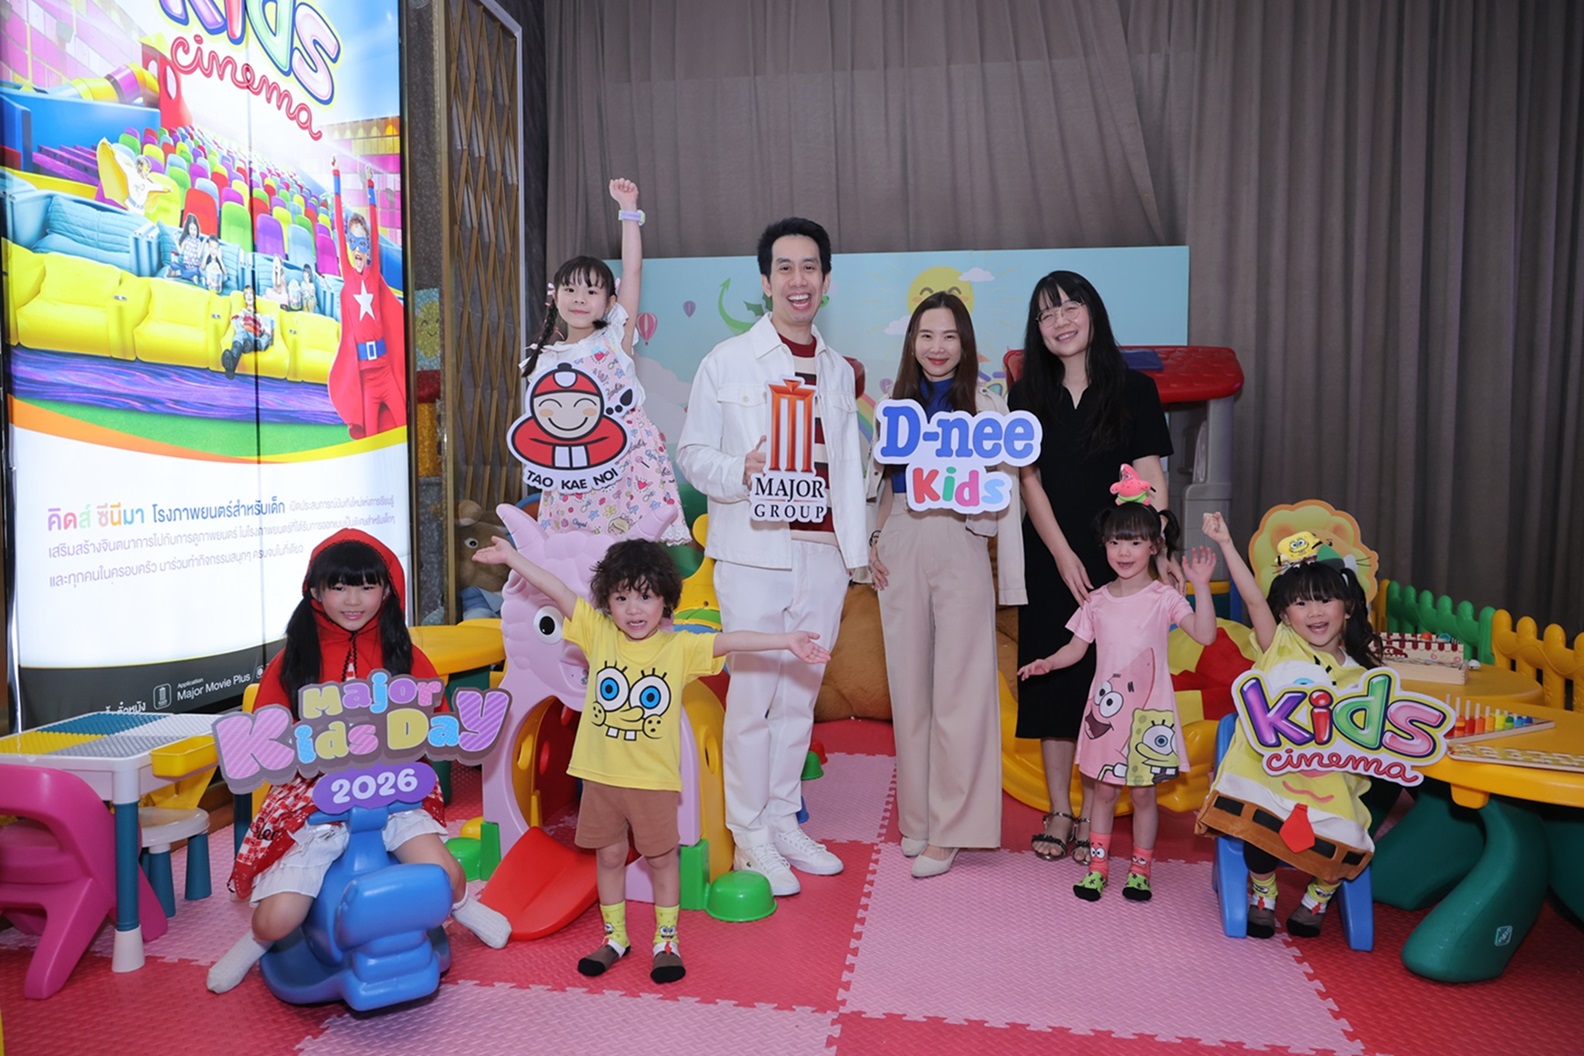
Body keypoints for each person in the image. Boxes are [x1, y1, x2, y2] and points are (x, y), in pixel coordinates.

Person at [473, 535, 829, 982]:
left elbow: (730, 640)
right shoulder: (598, 634)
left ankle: (666, 941)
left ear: (665, 601)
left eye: (645, 596)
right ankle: (615, 937)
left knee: (661, 860)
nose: (634, 609)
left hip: (653, 783)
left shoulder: (678, 649)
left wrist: (786, 640)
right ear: (607, 602)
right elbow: (558, 590)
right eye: (621, 598)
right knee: (608, 857)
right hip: (600, 779)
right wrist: (512, 558)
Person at [207, 530, 509, 994]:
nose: (353, 600)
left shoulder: (404, 654)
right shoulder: (292, 660)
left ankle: (465, 908)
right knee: (275, 919)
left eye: (367, 586)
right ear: (315, 591)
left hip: (392, 786)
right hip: (313, 794)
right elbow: (267, 731)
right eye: (339, 587)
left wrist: (435, 730)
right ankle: (256, 943)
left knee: (446, 875)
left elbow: (437, 718)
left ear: (386, 591)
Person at [675, 217, 866, 897]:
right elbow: (692, 453)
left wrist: (858, 551)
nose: (797, 280)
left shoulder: (838, 370)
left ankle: (783, 819)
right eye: (784, 267)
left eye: (809, 267)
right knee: (754, 698)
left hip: (824, 555)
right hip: (754, 552)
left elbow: (848, 469)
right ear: (765, 281)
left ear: (826, 281)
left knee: (799, 698)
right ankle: (749, 831)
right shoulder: (727, 361)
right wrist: (741, 469)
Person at [1008, 270, 1174, 867]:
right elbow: (1029, 483)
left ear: (1093, 312)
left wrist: (1156, 549)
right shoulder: (1026, 396)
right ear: (1037, 329)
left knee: (1110, 686)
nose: (1060, 321)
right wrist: (1060, 553)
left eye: (1070, 307)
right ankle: (1060, 810)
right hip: (1051, 556)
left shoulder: (1135, 389)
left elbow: (1151, 480)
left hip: (1121, 562)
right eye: (1047, 314)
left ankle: (1093, 814)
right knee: (1055, 685)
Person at [868, 292, 1023, 878]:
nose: (938, 347)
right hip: (902, 538)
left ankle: (953, 828)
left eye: (950, 336)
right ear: (912, 343)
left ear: (966, 344)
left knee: (961, 688)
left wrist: (977, 518)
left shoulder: (988, 408)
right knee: (908, 688)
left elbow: (1003, 493)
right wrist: (875, 541)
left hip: (959, 538)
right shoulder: (894, 407)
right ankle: (919, 820)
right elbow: (881, 484)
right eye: (927, 335)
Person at [1019, 490, 1217, 901]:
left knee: (1144, 796)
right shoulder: (1096, 600)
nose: (1123, 552)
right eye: (1114, 542)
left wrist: (1200, 586)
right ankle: (1098, 868)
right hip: (1107, 716)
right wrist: (1047, 663)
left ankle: (1140, 870)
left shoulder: (1164, 598)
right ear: (1104, 545)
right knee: (1104, 793)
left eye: (1134, 542)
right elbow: (1075, 649)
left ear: (1154, 546)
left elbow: (1205, 634)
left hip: (1150, 717)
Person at [1197, 512, 1385, 938]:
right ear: (1284, 615)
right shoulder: (1281, 647)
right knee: (1261, 823)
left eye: (1325, 600)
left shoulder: (1362, 677)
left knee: (1350, 834)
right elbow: (1253, 601)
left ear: (1348, 607)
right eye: (1301, 603)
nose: (1314, 611)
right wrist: (1226, 543)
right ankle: (1263, 891)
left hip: (1330, 782)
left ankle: (1318, 896)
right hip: (1273, 773)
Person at [515, 178, 689, 546]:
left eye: (591, 291)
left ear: (610, 302)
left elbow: (634, 269)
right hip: (574, 466)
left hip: (625, 462)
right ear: (555, 297)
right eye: (570, 289)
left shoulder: (614, 338)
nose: (579, 298)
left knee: (629, 556)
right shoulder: (543, 361)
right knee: (576, 557)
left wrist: (628, 210)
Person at [327, 158, 407, 439]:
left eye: (363, 243)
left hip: (385, 373)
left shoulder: (373, 275)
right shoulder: (348, 276)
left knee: (403, 426)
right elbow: (338, 222)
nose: (358, 249)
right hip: (366, 381)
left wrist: (370, 186)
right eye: (354, 243)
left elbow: (373, 225)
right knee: (372, 440)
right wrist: (336, 176)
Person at [220, 286, 275, 380]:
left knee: (264, 335)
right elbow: (238, 324)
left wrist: (265, 328)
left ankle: (247, 348)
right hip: (245, 334)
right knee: (241, 335)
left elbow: (266, 330)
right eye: (246, 294)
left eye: (251, 293)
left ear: (254, 297)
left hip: (256, 337)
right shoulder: (243, 311)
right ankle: (231, 364)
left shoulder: (260, 316)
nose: (249, 296)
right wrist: (242, 318)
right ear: (245, 299)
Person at [170, 213, 206, 283]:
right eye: (191, 229)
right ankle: (189, 276)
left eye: (195, 229)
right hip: (185, 266)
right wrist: (175, 239)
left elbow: (198, 256)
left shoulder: (198, 242)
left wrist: (202, 244)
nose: (193, 231)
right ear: (188, 229)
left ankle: (181, 274)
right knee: (172, 264)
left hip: (193, 267)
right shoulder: (185, 240)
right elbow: (181, 252)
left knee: (197, 271)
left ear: (197, 229)